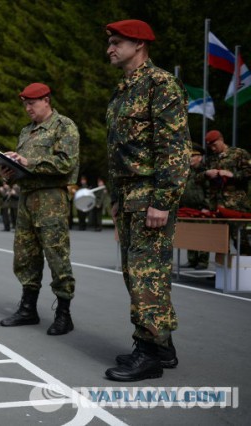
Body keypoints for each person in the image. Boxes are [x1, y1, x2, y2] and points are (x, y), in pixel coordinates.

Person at [104, 19, 191, 381]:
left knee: (146, 276)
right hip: (127, 194)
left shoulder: (160, 84)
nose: (109, 48)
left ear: (139, 44)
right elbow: (119, 150)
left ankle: (149, 353)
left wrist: (163, 200)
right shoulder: (124, 89)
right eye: (109, 42)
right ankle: (162, 345)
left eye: (116, 42)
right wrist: (114, 197)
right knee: (136, 273)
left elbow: (175, 149)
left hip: (149, 194)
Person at [0, 82, 80, 336]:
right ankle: (28, 309)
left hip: (51, 201)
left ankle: (64, 314)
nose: (27, 108)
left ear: (46, 100)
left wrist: (28, 161)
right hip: (27, 200)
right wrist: (8, 171)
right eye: (24, 104)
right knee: (25, 256)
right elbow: (23, 170)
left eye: (31, 103)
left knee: (57, 256)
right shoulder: (26, 132)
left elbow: (66, 163)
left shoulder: (64, 126)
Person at [203, 129, 251, 254]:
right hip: (216, 205)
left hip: (236, 205)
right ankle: (221, 273)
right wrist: (206, 174)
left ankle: (245, 271)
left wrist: (232, 175)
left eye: (214, 145)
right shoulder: (210, 159)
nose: (212, 148)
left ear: (221, 140)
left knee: (241, 240)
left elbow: (248, 172)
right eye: (210, 146)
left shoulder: (239, 153)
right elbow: (197, 178)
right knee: (219, 243)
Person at [180, 145, 210, 269]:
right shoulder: (187, 171)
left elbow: (209, 190)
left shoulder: (205, 171)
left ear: (200, 157)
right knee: (190, 233)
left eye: (194, 156)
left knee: (202, 234)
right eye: (189, 155)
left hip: (200, 208)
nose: (191, 158)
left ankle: (203, 261)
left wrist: (207, 206)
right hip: (187, 208)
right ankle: (192, 259)